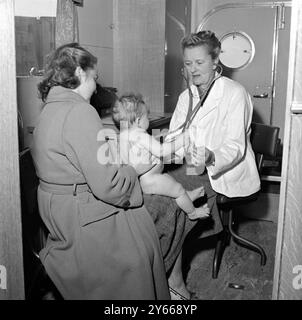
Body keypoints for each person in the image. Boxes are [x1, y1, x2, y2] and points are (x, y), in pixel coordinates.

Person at [31, 43, 170, 300]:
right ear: (81, 73)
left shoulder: (50, 109)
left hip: (59, 212)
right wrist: (133, 169)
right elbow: (110, 186)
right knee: (142, 243)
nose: (96, 86)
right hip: (80, 218)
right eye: (95, 78)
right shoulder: (80, 111)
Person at [163, 30, 261, 299]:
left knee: (172, 203)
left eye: (199, 62)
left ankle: (174, 284)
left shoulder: (234, 93)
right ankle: (160, 273)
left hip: (222, 170)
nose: (192, 69)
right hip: (192, 166)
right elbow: (175, 138)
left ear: (215, 60)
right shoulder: (187, 97)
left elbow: (235, 147)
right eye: (187, 63)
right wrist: (157, 149)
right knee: (158, 193)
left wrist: (210, 156)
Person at [111, 93, 210, 221]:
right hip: (150, 179)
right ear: (138, 121)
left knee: (171, 182)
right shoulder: (141, 135)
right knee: (178, 189)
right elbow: (162, 151)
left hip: (145, 179)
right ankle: (192, 213)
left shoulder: (123, 135)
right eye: (148, 116)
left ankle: (188, 196)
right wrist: (183, 139)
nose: (150, 120)